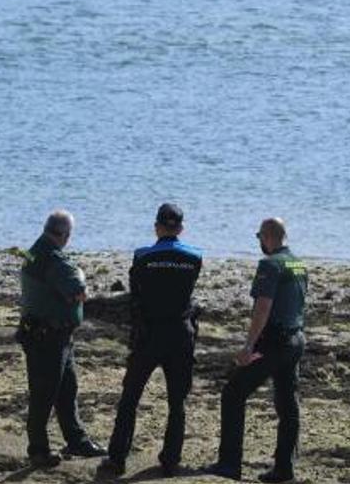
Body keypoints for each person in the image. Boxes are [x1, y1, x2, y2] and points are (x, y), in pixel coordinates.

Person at [96, 203, 202, 479]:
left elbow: (137, 293)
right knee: (177, 401)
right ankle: (170, 459)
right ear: (180, 228)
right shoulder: (194, 257)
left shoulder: (142, 256)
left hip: (149, 334)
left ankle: (117, 458)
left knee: (130, 397)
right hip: (179, 334)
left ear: (157, 226)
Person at [206, 218, 308, 483]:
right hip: (296, 339)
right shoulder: (298, 263)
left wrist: (248, 346)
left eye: (259, 237)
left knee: (232, 393)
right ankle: (284, 469)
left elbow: (263, 307)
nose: (259, 243)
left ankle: (229, 464)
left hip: (273, 343)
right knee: (288, 405)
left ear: (267, 236)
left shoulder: (269, 264)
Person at [15, 210, 106, 468]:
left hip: (48, 334)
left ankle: (76, 440)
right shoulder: (53, 259)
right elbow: (79, 291)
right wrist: (78, 276)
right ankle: (38, 451)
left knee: (67, 390)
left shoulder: (34, 251)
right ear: (65, 235)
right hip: (48, 337)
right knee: (43, 395)